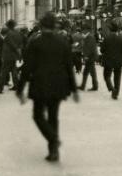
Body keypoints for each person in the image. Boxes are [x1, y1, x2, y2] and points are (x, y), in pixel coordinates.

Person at [16, 12, 79, 162]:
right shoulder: (63, 42)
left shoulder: (34, 42)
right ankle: (54, 151)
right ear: (54, 25)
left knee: (38, 116)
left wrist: (20, 88)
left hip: (40, 84)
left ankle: (53, 139)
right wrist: (74, 89)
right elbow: (69, 66)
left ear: (42, 25)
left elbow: (27, 67)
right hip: (59, 85)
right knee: (53, 117)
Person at [100, 23, 122, 100]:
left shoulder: (106, 38)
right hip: (118, 61)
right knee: (117, 78)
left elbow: (102, 50)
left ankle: (111, 88)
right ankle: (115, 94)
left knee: (106, 76)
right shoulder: (120, 38)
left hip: (108, 61)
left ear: (110, 30)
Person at [0, 19, 23, 93]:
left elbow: (11, 44)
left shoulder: (8, 34)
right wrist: (19, 54)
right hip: (14, 55)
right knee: (14, 71)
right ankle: (16, 86)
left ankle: (0, 88)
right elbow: (20, 44)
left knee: (4, 71)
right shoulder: (18, 33)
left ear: (8, 26)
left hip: (7, 55)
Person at [79, 25, 99, 91]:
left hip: (90, 57)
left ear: (86, 30)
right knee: (91, 72)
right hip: (91, 56)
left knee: (88, 72)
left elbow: (89, 48)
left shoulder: (90, 37)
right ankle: (94, 85)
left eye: (83, 29)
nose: (82, 31)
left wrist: (86, 56)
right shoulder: (88, 37)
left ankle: (84, 86)